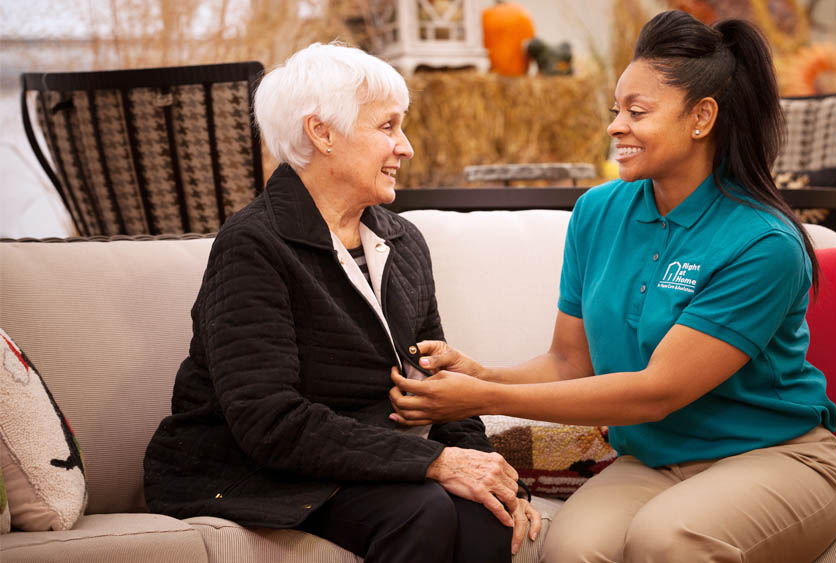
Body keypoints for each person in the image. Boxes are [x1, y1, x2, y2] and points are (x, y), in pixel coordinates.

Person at [389, 10, 836, 563]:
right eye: (616, 111)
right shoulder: (597, 212)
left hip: (776, 458)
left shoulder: (763, 244)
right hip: (653, 462)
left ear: (701, 117)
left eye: (637, 112)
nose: (615, 127)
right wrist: (480, 372)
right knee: (569, 549)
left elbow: (658, 391)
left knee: (668, 540)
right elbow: (569, 363)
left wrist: (483, 398)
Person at [143, 42, 540, 563]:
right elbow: (269, 423)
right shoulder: (253, 244)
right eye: (387, 127)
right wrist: (434, 463)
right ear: (321, 133)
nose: (406, 147)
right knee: (423, 511)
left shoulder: (403, 242)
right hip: (252, 471)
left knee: (486, 518)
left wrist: (493, 474)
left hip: (367, 463)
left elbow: (438, 390)